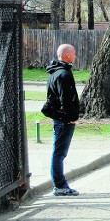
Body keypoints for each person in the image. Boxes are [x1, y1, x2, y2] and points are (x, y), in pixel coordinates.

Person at [46, 43, 81, 197]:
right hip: (64, 120)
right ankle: (59, 186)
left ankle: (59, 184)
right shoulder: (64, 74)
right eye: (73, 54)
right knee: (59, 153)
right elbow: (66, 99)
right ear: (67, 55)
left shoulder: (54, 73)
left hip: (59, 118)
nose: (75, 56)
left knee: (59, 152)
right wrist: (71, 118)